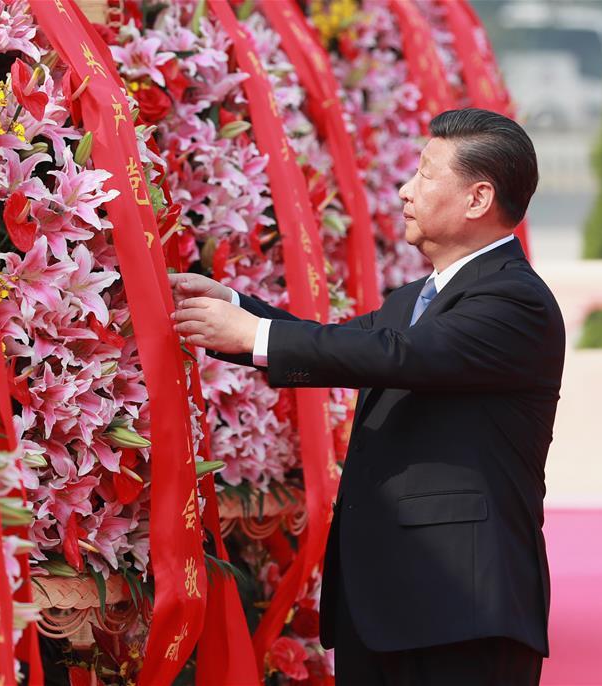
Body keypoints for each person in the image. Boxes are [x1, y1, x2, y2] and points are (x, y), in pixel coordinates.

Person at [169, 108, 565, 685]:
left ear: (478, 199)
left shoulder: (514, 301)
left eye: (425, 175)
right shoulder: (415, 301)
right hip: (384, 608)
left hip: (464, 610)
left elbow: (397, 357)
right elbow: (346, 343)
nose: (405, 190)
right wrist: (233, 305)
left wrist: (255, 333)